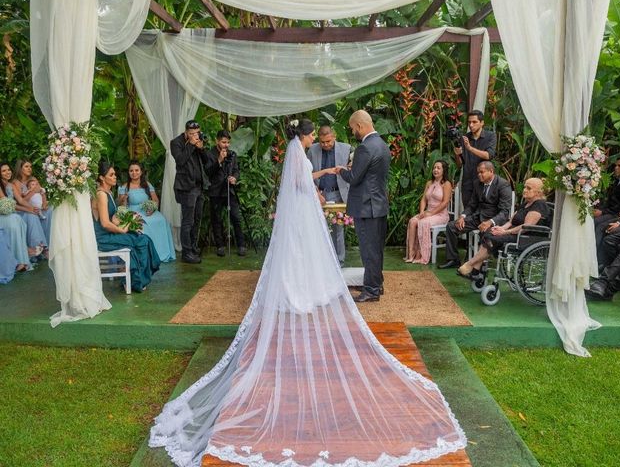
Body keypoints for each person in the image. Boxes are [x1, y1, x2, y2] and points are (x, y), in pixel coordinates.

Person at [148, 118, 466, 467]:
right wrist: (320, 182)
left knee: (299, 252)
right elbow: (302, 182)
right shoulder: (299, 153)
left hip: (299, 209)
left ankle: (298, 286)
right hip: (301, 210)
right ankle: (298, 290)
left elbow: (301, 179)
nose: (316, 137)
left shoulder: (295, 151)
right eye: (314, 133)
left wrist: (325, 171)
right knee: (302, 250)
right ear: (305, 135)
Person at [337, 110, 390, 302]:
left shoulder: (365, 147)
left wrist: (341, 171)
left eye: (352, 129)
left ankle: (371, 290)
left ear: (359, 126)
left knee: (368, 250)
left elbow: (354, 177)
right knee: (376, 248)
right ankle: (377, 283)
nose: (353, 133)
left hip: (367, 207)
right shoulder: (382, 145)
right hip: (378, 204)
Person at [457, 177, 550, 279]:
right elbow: (511, 221)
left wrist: (504, 232)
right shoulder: (526, 203)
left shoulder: (539, 205)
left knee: (492, 238)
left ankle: (470, 264)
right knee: (488, 232)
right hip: (515, 233)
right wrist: (500, 228)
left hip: (525, 237)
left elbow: (526, 227)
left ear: (538, 192)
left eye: (529, 188)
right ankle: (475, 270)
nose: (524, 190)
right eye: (525, 187)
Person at [92, 162, 160, 293]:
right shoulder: (101, 194)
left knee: (142, 237)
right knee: (142, 241)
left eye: (115, 175)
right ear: (101, 178)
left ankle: (136, 279)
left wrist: (127, 220)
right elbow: (105, 224)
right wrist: (123, 230)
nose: (114, 177)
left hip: (112, 233)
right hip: (104, 237)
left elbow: (112, 218)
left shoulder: (108, 193)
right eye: (111, 175)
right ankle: (136, 280)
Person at [439, 161, 512, 269]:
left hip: (494, 220)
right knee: (451, 226)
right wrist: (463, 216)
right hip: (477, 217)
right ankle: (453, 259)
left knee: (487, 235)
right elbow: (472, 205)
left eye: (482, 172)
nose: (479, 175)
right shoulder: (477, 183)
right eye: (478, 173)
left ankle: (479, 264)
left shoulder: (503, 184)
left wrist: (490, 222)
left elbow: (504, 212)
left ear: (491, 171)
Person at [307, 125, 351, 265]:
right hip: (317, 194)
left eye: (328, 141)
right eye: (322, 142)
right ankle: (320, 263)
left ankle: (339, 262)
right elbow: (307, 174)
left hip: (338, 194)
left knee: (337, 230)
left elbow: (353, 170)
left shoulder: (347, 148)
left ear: (334, 137)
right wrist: (315, 191)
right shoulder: (312, 150)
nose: (325, 144)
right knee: (316, 229)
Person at [117, 161, 176, 262]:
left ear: (141, 172)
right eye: (131, 171)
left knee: (161, 220)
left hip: (148, 210)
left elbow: (155, 200)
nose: (134, 173)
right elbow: (122, 205)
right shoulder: (125, 186)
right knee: (143, 224)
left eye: (136, 170)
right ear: (128, 172)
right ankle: (148, 256)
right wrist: (124, 198)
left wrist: (152, 209)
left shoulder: (147, 185)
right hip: (133, 211)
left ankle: (161, 252)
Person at [170, 120, 210, 264]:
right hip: (186, 188)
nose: (195, 136)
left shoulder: (198, 141)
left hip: (199, 186)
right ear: (186, 132)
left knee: (197, 219)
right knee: (187, 221)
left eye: (197, 133)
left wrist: (201, 148)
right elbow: (180, 160)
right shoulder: (176, 143)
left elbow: (207, 162)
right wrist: (191, 145)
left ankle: (193, 247)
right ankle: (186, 252)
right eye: (192, 133)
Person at [205, 130, 246, 257]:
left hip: (229, 190)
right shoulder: (209, 154)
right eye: (223, 142)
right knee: (216, 219)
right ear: (217, 141)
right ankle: (220, 246)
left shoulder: (232, 154)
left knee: (236, 217)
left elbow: (236, 170)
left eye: (228, 142)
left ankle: (241, 245)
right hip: (215, 191)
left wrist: (234, 177)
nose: (226, 145)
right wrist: (219, 160)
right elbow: (208, 172)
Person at [1, 162, 46, 261]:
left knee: (33, 214)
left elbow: (21, 200)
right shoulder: (2, 186)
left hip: (15, 209)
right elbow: (11, 205)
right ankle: (33, 249)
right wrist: (28, 209)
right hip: (10, 212)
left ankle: (39, 246)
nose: (7, 172)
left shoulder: (10, 185)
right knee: (29, 215)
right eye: (4, 171)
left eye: (8, 170)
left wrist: (32, 208)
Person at [453, 110, 497, 207]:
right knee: (468, 214)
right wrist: (457, 154)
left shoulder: (490, 136)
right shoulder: (464, 138)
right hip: (467, 182)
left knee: (484, 212)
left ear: (482, 123)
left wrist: (470, 148)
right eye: (469, 122)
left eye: (474, 122)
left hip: (484, 182)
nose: (471, 125)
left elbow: (488, 155)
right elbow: (460, 164)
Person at [594, 156, 620, 255]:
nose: (616, 168)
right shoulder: (618, 180)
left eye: (619, 166)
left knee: (599, 225)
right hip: (611, 211)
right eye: (615, 165)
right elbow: (610, 200)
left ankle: (595, 255)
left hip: (618, 214)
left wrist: (603, 212)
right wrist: (601, 209)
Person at [13, 159, 52, 244]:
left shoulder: (33, 179)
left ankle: (48, 242)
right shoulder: (16, 183)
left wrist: (44, 203)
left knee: (49, 210)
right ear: (20, 169)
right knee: (34, 215)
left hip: (39, 205)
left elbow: (42, 192)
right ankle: (40, 245)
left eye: (30, 167)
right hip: (26, 208)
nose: (29, 168)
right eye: (26, 166)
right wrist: (33, 191)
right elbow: (21, 201)